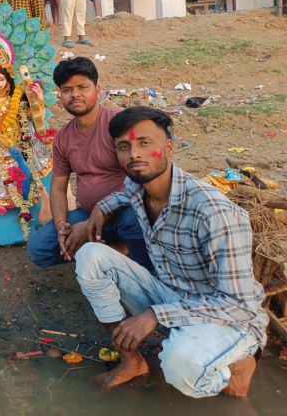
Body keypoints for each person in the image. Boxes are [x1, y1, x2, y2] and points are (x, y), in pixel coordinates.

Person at [76, 107, 266, 398]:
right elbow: (122, 195)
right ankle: (132, 362)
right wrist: (100, 210)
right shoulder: (137, 185)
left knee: (180, 367)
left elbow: (239, 305)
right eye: (124, 147)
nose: (134, 154)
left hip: (229, 320)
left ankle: (239, 364)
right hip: (175, 296)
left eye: (144, 143)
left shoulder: (213, 212)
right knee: (91, 256)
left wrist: (155, 315)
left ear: (168, 148)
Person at [26, 57, 152, 269]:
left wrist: (91, 223)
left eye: (82, 87)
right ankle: (103, 252)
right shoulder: (63, 137)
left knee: (135, 221)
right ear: (60, 96)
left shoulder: (119, 124)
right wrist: (61, 226)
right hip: (86, 213)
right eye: (67, 90)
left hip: (124, 211)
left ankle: (133, 261)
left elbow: (136, 180)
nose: (75, 94)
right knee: (39, 249)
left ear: (98, 89)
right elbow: (58, 187)